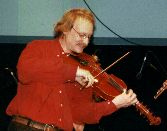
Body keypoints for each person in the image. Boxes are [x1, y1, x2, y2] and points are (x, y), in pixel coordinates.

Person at [6, 8, 138, 131]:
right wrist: (73, 72)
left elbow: (80, 112)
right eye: (81, 35)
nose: (86, 42)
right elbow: (25, 71)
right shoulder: (39, 47)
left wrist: (114, 104)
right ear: (65, 29)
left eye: (89, 37)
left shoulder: (84, 68)